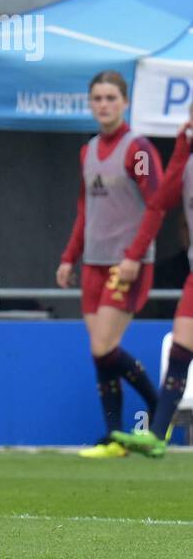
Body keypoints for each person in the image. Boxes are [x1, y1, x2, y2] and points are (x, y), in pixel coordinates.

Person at [55, 70, 163, 458]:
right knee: (100, 350)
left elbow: (157, 205)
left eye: (111, 98)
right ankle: (116, 437)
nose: (104, 105)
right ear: (90, 103)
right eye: (97, 98)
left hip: (125, 264)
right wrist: (70, 257)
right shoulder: (88, 150)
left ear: (126, 102)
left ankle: (158, 412)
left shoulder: (139, 150)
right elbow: (85, 210)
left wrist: (134, 257)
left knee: (104, 347)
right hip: (94, 264)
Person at [109, 112, 193, 457]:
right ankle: (158, 434)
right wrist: (180, 150)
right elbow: (161, 201)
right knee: (180, 348)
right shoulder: (187, 162)